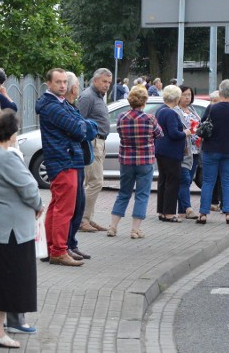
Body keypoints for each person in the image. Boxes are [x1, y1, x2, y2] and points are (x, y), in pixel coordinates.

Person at [0, 110, 43, 349]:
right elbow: (30, 189)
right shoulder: (6, 157)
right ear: (10, 133)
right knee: (7, 279)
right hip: (9, 229)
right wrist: (38, 205)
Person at [35, 68, 98, 266]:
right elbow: (79, 129)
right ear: (48, 84)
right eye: (58, 82)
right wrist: (85, 127)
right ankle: (59, 251)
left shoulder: (59, 103)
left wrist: (86, 127)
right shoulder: (51, 106)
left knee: (57, 206)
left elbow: (83, 126)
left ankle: (51, 248)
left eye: (65, 82)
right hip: (64, 160)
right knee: (64, 209)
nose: (63, 86)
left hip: (67, 159)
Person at [108, 85, 162, 238]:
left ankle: (113, 226)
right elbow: (160, 133)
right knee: (142, 195)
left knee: (123, 193)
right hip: (145, 160)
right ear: (144, 102)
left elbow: (119, 133)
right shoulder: (150, 118)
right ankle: (135, 229)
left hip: (126, 160)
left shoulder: (121, 118)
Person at [197, 79, 229, 225]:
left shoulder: (211, 109)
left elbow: (202, 123)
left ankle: (203, 214)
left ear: (220, 91)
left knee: (208, 181)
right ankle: (228, 213)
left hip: (211, 149)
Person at [76, 67, 112, 233]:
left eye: (109, 83)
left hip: (100, 142)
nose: (107, 85)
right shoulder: (88, 96)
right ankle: (83, 219)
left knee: (93, 182)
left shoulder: (99, 97)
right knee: (95, 182)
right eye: (104, 81)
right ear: (95, 80)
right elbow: (79, 121)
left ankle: (87, 217)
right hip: (91, 142)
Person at [64, 71, 92, 261]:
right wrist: (88, 126)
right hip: (71, 160)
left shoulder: (70, 106)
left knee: (78, 204)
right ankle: (65, 244)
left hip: (78, 158)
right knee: (72, 206)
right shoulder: (64, 107)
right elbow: (81, 129)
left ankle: (71, 243)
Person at [154, 85, 192, 222]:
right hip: (171, 152)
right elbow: (174, 134)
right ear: (176, 98)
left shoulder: (160, 110)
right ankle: (169, 213)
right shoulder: (170, 113)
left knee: (163, 181)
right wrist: (186, 132)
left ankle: (162, 211)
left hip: (161, 150)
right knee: (172, 182)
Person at [175, 85, 201, 220]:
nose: (187, 97)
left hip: (195, 150)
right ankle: (188, 208)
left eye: (189, 95)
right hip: (184, 150)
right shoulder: (175, 111)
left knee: (188, 180)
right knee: (184, 179)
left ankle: (181, 211)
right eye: (184, 94)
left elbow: (199, 125)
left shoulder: (192, 109)